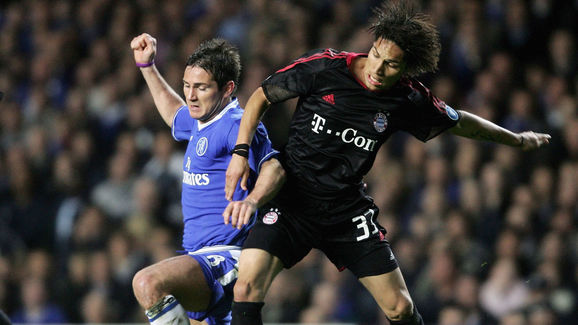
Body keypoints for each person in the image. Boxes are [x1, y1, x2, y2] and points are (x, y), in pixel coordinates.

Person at [223, 2, 551, 325]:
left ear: (407, 69)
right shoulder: (324, 68)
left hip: (345, 210)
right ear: (373, 44)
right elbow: (261, 96)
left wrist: (517, 139)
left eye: (391, 65)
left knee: (400, 307)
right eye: (377, 55)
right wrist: (240, 153)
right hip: (293, 199)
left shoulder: (409, 99)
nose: (377, 70)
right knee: (247, 286)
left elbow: (461, 122)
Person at [130, 33, 285, 325]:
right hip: (198, 255)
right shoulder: (201, 117)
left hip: (227, 257)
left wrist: (252, 201)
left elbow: (274, 167)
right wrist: (147, 67)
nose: (190, 95)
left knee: (147, 283)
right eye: (187, 86)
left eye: (201, 88)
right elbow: (174, 113)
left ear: (227, 88)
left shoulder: (236, 124)